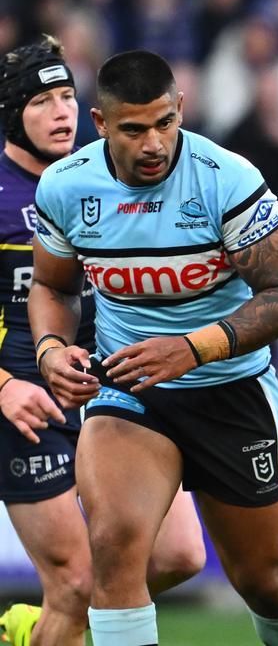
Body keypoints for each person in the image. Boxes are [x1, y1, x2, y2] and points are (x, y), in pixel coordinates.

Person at [28, 50, 278, 646]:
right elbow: (53, 287)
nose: (154, 143)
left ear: (181, 108)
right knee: (112, 548)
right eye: (134, 129)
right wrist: (52, 349)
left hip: (229, 390)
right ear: (101, 124)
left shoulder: (225, 179)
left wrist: (194, 348)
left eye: (165, 122)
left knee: (264, 582)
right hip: (129, 390)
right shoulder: (64, 186)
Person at [0, 37, 205, 646]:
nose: (61, 112)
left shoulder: (101, 176)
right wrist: (5, 388)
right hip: (25, 405)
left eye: (68, 96)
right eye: (41, 101)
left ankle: (34, 631)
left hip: (113, 392)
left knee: (180, 556)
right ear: (12, 115)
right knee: (77, 579)